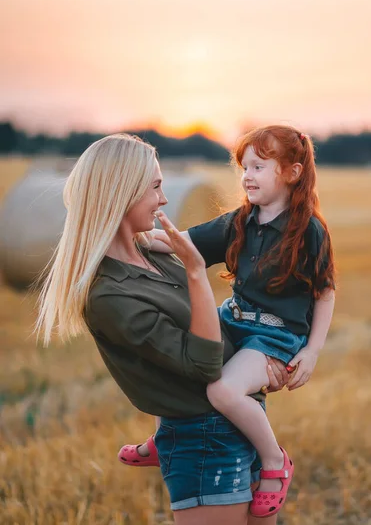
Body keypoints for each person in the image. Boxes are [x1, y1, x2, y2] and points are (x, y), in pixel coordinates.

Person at [34, 132, 288, 525]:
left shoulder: (153, 253)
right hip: (203, 441)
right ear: (122, 193)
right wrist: (195, 271)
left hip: (242, 420)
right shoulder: (109, 296)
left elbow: (217, 328)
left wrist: (270, 360)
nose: (165, 199)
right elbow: (203, 364)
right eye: (155, 187)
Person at [119, 124, 336, 518]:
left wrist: (313, 351)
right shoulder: (241, 222)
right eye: (244, 168)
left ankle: (274, 461)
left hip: (274, 337)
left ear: (291, 172)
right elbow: (179, 242)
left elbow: (324, 292)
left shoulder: (309, 232)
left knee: (223, 393)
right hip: (234, 319)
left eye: (257, 167)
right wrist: (127, 234)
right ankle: (167, 437)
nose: (246, 176)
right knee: (177, 348)